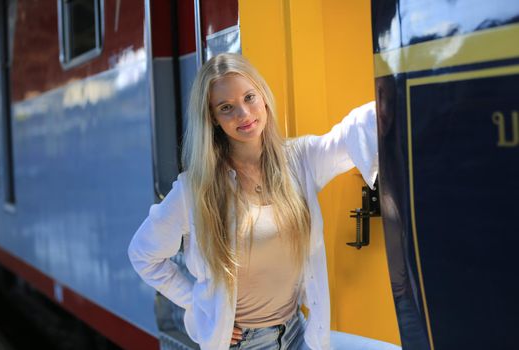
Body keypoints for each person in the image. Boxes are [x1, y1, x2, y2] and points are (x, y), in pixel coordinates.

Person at [128, 53, 378, 350]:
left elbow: (351, 134)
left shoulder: (299, 160)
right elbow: (143, 254)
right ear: (213, 119)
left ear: (263, 96)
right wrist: (198, 304)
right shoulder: (196, 190)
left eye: (249, 98)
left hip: (299, 333)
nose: (244, 115)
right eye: (226, 108)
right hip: (245, 344)